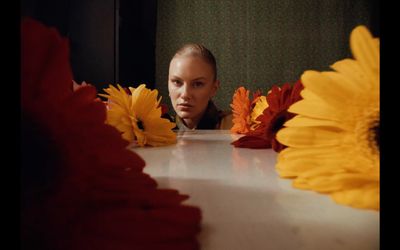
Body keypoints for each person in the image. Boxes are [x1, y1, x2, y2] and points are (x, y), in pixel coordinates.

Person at [168, 43, 232, 131]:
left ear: (214, 89)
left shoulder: (235, 127)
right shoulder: (154, 131)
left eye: (197, 84)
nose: (185, 94)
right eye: (177, 82)